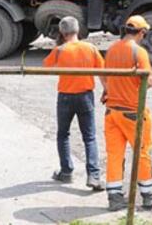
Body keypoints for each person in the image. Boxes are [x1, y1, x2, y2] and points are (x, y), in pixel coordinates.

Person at [103, 15, 152, 211]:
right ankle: (148, 193)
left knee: (114, 154)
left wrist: (109, 90)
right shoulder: (139, 52)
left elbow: (104, 76)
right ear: (142, 33)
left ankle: (115, 197)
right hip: (132, 112)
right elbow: (149, 81)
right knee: (142, 151)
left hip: (111, 112)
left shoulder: (112, 49)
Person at [43, 16, 105, 191]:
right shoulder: (90, 48)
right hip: (85, 96)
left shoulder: (61, 50)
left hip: (65, 97)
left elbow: (46, 66)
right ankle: (93, 176)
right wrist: (106, 90)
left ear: (62, 33)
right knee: (90, 137)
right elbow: (103, 71)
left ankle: (66, 171)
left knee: (63, 134)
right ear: (78, 30)